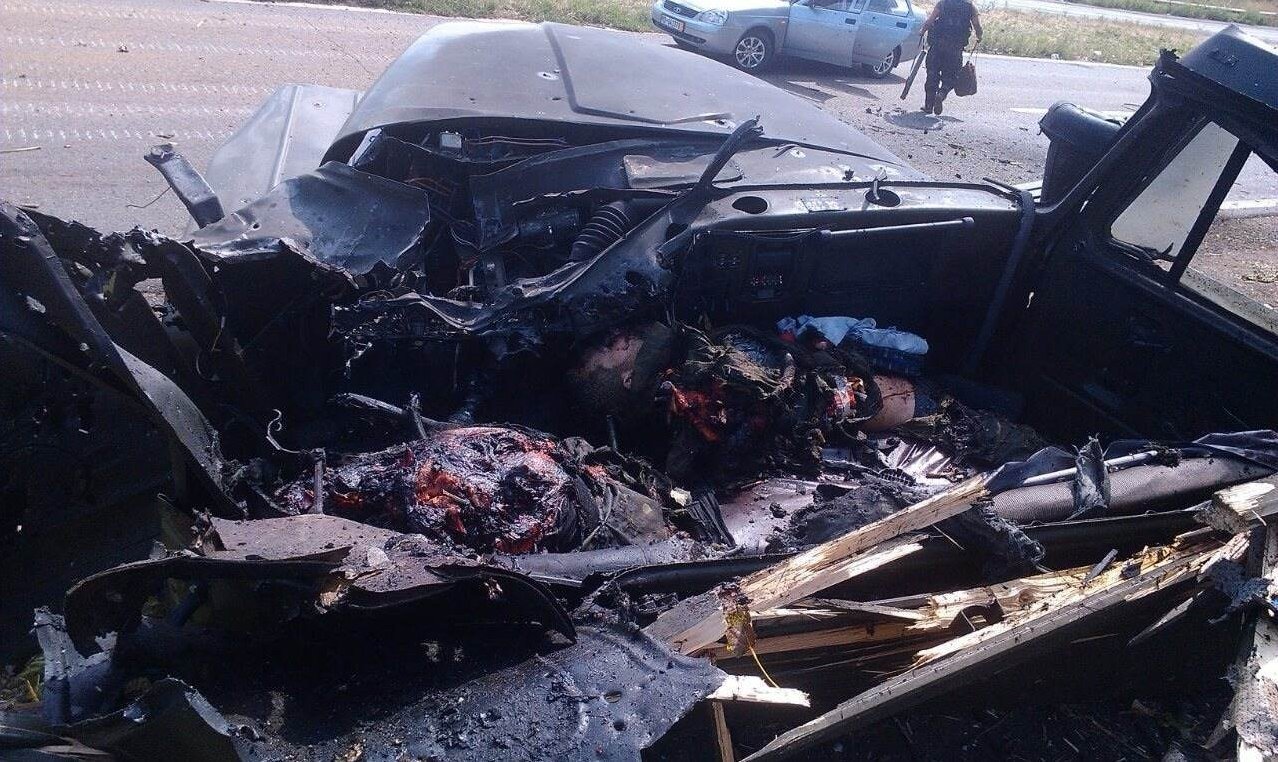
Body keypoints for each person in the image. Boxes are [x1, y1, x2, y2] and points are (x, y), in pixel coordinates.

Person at [919, 0, 982, 115]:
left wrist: (922, 31)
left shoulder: (943, 3)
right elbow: (977, 25)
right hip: (955, 49)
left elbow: (930, 21)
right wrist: (979, 36)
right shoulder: (971, 7)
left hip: (937, 46)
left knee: (932, 74)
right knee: (952, 76)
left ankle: (928, 106)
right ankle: (941, 94)